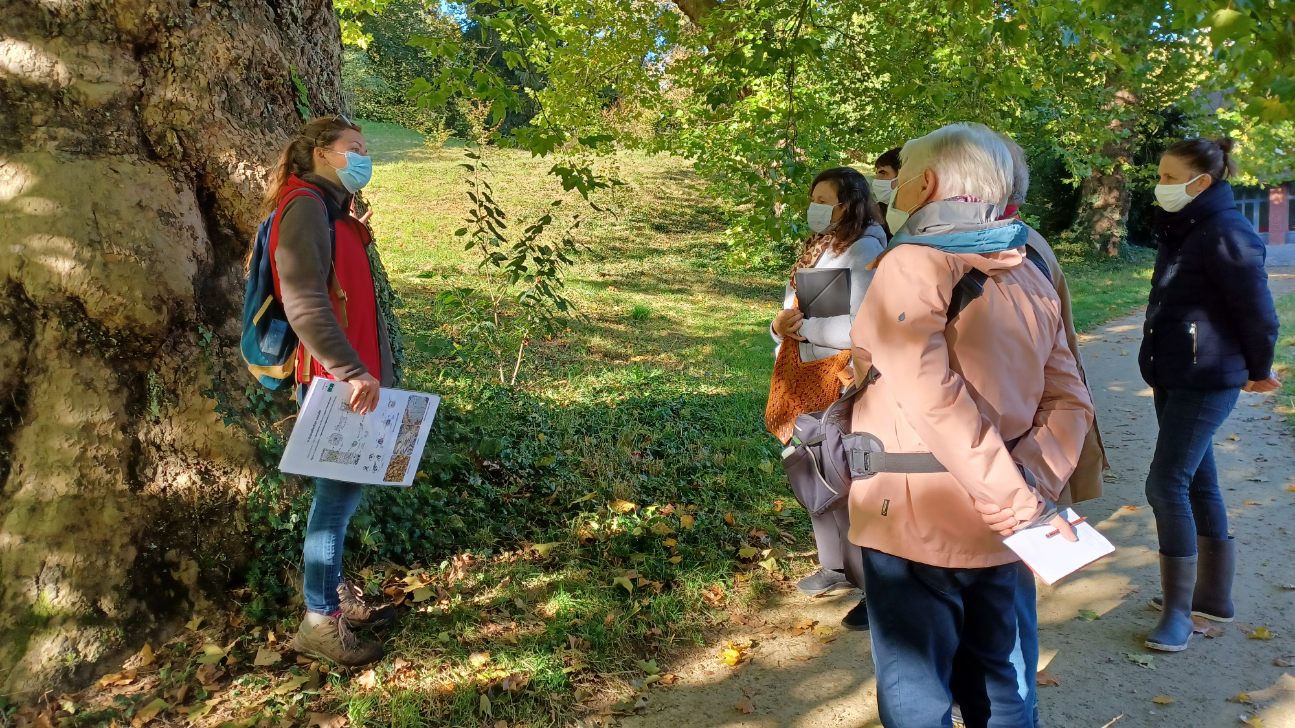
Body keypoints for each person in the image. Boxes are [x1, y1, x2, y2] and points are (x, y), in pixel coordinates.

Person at [847, 123, 1094, 727]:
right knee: (1000, 683)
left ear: (925, 182)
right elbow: (1072, 399)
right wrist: (1027, 490)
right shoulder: (1027, 269)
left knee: (917, 689)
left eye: (898, 176)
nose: (891, 188)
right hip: (1008, 517)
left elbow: (931, 396)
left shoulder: (911, 264)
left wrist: (1011, 499)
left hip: (916, 517)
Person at [263, 115, 399, 666]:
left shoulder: (328, 209)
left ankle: (333, 601)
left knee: (340, 502)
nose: (363, 157)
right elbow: (302, 301)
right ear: (321, 152)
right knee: (333, 503)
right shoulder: (303, 206)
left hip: (352, 382)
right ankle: (319, 621)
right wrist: (348, 369)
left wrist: (354, 226)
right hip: (336, 384)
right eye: (354, 148)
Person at [1140, 137, 1280, 653]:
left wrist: (1258, 369)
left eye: (1172, 178)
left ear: (1203, 183)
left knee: (1165, 484)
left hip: (1208, 376)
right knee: (1198, 479)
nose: (1162, 186)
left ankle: (1178, 614)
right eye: (1162, 175)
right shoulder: (1185, 226)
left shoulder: (1227, 230)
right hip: (1173, 372)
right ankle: (1212, 596)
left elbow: (1258, 312)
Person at [996, 132, 1111, 728]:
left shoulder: (1018, 251)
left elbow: (1057, 371)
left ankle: (1019, 711)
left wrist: (1030, 477)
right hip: (1013, 459)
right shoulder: (1018, 244)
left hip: (1015, 457)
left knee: (1008, 605)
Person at [771, 167, 886, 630]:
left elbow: (860, 329)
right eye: (813, 197)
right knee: (810, 467)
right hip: (803, 377)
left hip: (840, 382)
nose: (816, 206)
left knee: (845, 475)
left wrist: (802, 329)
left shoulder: (867, 249)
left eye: (826, 199)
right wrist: (781, 328)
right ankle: (833, 566)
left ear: (850, 202)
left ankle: (871, 584)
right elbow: (788, 311)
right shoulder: (818, 248)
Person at [872, 147, 903, 235]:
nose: (876, 179)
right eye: (876, 173)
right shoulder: (873, 213)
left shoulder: (922, 218)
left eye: (883, 173)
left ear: (902, 176)